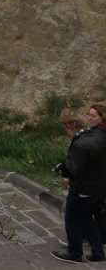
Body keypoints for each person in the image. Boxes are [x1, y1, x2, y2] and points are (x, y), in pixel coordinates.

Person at [55, 105, 106, 263]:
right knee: (87, 220)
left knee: (72, 219)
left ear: (69, 127)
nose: (90, 118)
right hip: (100, 188)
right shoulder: (101, 136)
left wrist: (65, 171)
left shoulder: (81, 143)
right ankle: (97, 253)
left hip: (83, 189)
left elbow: (75, 169)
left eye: (93, 115)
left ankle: (74, 253)